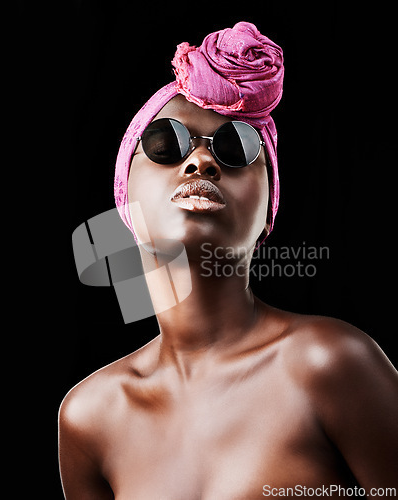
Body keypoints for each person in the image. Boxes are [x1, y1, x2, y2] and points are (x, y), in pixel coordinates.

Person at [59, 22, 398, 499]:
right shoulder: (89, 416)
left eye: (237, 148)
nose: (200, 163)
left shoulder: (328, 364)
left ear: (268, 211)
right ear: (124, 195)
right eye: (165, 144)